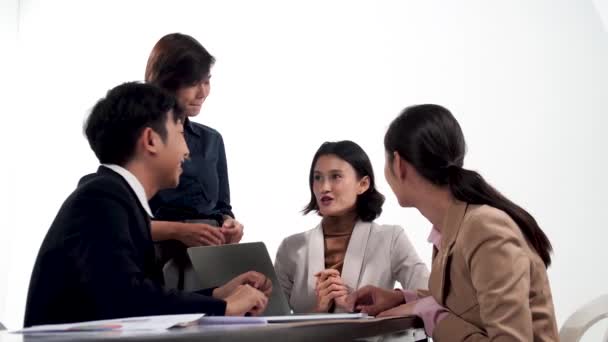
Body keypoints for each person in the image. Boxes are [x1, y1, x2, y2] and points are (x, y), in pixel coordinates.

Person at [23, 82, 271, 327]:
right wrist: (223, 307)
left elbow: (134, 293)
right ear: (151, 140)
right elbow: (128, 299)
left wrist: (217, 295)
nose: (187, 151)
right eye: (180, 134)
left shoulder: (115, 197)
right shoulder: (102, 197)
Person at [347, 104, 558, 341]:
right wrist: (402, 298)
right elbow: (466, 300)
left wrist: (431, 315)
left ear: (398, 164)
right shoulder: (453, 227)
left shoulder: (485, 229)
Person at [274, 140, 429, 313]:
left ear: (363, 184)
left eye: (336, 176)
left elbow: (429, 296)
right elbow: (271, 323)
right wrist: (318, 311)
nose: (324, 187)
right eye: (317, 177)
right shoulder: (290, 248)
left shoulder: (391, 238)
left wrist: (383, 300)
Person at [144, 33, 243, 291]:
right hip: (157, 262)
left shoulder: (212, 140)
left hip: (212, 260)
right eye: (192, 83)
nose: (202, 92)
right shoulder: (142, 138)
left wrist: (230, 225)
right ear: (167, 82)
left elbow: (222, 206)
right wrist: (179, 231)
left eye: (207, 81)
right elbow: (126, 224)